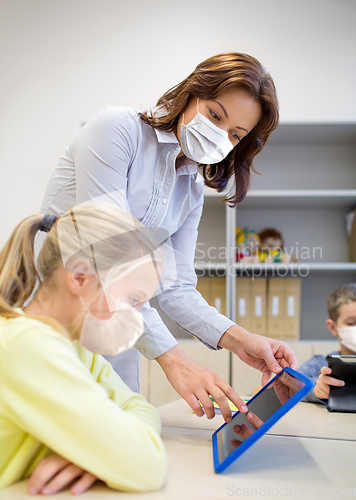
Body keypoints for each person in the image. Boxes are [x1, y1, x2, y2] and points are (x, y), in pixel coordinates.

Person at [39, 52, 297, 421]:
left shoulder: (189, 190)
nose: (220, 135)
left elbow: (175, 290)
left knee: (125, 439)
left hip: (116, 330)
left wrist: (242, 341)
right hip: (49, 319)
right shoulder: (116, 130)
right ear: (193, 92)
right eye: (214, 115)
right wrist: (175, 361)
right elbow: (108, 256)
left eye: (234, 134)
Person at [0, 202, 167, 495]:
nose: (137, 318)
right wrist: (112, 454)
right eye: (132, 299)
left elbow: (140, 408)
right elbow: (147, 466)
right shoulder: (28, 346)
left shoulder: (78, 348)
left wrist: (95, 456)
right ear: (80, 277)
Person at [298, 283, 356, 403]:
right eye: (352, 323)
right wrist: (315, 389)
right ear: (333, 327)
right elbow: (291, 386)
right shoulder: (320, 364)